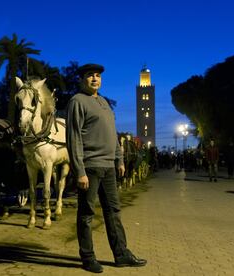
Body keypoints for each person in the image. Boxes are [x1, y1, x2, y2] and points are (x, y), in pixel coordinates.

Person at [66, 63, 147, 273]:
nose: (95, 79)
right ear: (82, 79)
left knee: (114, 211)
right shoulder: (77, 101)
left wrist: (119, 159)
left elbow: (113, 134)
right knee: (86, 214)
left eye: (98, 76)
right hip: (90, 167)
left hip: (109, 167)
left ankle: (121, 254)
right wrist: (79, 171)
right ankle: (87, 257)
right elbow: (73, 138)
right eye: (90, 76)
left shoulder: (103, 102)